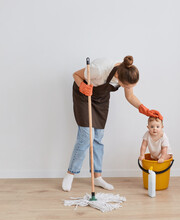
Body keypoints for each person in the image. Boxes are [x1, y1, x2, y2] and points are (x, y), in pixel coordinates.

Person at [62, 56, 163, 192]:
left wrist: (145, 110)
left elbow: (130, 96)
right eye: (126, 86)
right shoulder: (99, 69)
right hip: (84, 96)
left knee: (98, 137)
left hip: (101, 100)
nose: (127, 88)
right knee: (86, 137)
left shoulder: (126, 72)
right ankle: (70, 173)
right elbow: (76, 75)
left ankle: (97, 177)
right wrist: (82, 87)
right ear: (118, 77)